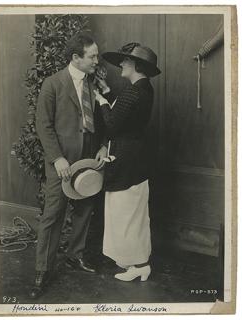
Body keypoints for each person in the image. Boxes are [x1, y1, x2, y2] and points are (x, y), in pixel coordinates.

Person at [30, 32, 107, 298]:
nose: (98, 60)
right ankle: (43, 269)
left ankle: (76, 255)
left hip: (87, 159)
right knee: (53, 216)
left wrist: (102, 146)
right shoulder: (52, 84)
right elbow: (43, 125)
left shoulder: (92, 83)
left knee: (85, 208)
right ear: (76, 57)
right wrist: (57, 158)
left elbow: (99, 121)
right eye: (93, 56)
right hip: (61, 162)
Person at [94, 42, 161, 282]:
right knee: (134, 214)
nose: (121, 64)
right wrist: (108, 93)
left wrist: (100, 100)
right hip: (136, 162)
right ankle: (138, 264)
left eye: (125, 60)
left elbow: (113, 124)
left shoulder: (133, 92)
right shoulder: (144, 89)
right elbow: (125, 114)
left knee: (126, 214)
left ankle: (138, 265)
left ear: (137, 65)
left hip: (126, 163)